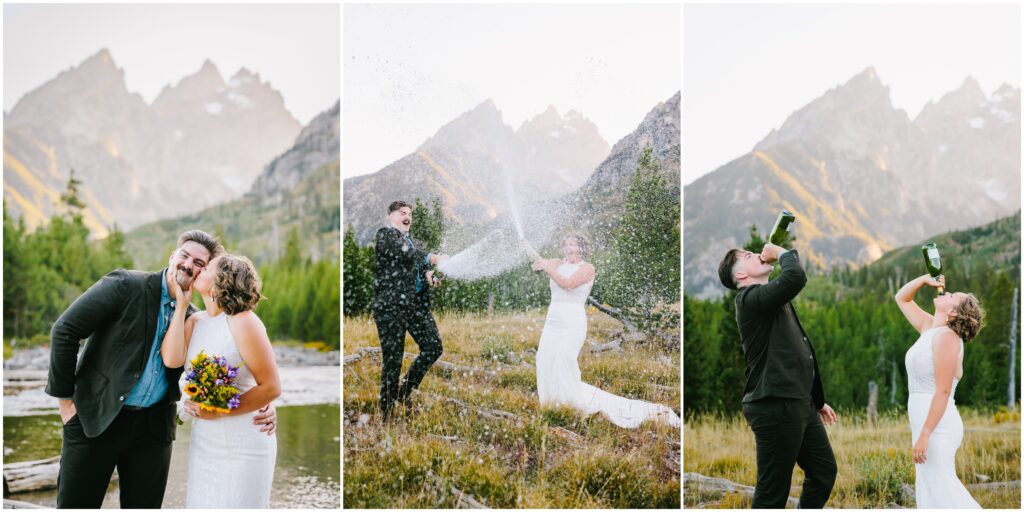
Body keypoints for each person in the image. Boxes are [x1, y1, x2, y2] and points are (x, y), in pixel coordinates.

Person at [45, 230, 276, 508]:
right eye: (185, 256)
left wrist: (261, 403)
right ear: (172, 256)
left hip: (153, 433)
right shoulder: (126, 285)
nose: (189, 265)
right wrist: (65, 405)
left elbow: (241, 371)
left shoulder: (193, 319)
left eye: (200, 263)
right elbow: (65, 330)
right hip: (95, 420)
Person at [717, 242, 837, 508]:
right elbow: (795, 276)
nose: (756, 254)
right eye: (748, 256)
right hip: (774, 404)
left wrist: (816, 400)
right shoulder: (749, 300)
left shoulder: (768, 298)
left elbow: (795, 351)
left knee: (824, 472)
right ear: (740, 276)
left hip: (799, 403)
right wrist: (781, 252)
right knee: (773, 493)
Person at [162, 253, 281, 508]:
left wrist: (221, 410)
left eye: (206, 269)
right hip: (205, 442)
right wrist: (182, 305)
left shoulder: (244, 322)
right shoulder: (195, 321)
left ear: (222, 280)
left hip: (244, 443)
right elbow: (171, 360)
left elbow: (271, 386)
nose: (197, 271)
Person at [526, 233, 680, 428]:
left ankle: (570, 405)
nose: (568, 247)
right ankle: (552, 406)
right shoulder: (556, 262)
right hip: (552, 321)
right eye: (565, 244)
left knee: (563, 358)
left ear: (581, 248)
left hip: (571, 321)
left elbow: (567, 284)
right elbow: (539, 262)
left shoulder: (587, 268)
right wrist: (529, 248)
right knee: (545, 358)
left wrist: (547, 269)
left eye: (572, 244)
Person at [895, 274, 984, 508]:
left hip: (938, 426)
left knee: (942, 488)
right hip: (924, 422)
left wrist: (925, 435)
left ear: (954, 312)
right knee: (929, 488)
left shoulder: (948, 338)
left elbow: (943, 392)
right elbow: (901, 299)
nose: (948, 291)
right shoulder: (929, 327)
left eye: (953, 296)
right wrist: (924, 279)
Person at [372, 200, 449, 419]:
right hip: (391, 308)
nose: (408, 217)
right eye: (402, 213)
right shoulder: (385, 236)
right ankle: (386, 414)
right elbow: (405, 253)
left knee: (434, 347)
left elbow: (421, 270)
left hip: (416, 307)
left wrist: (430, 277)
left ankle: (404, 392)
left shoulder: (414, 243)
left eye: (410, 214)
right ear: (391, 217)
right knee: (393, 360)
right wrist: (431, 257)